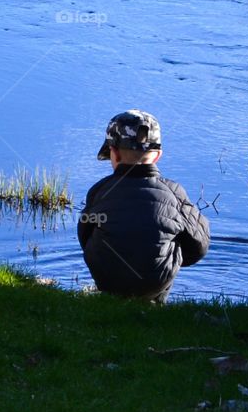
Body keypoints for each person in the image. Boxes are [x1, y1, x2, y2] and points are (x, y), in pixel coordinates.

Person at [77, 109, 210, 301]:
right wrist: (176, 258)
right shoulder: (174, 191)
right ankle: (156, 302)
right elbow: (200, 246)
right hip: (155, 282)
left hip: (108, 278)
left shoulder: (100, 190)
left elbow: (84, 235)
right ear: (157, 156)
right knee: (176, 238)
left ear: (113, 153)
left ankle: (110, 298)